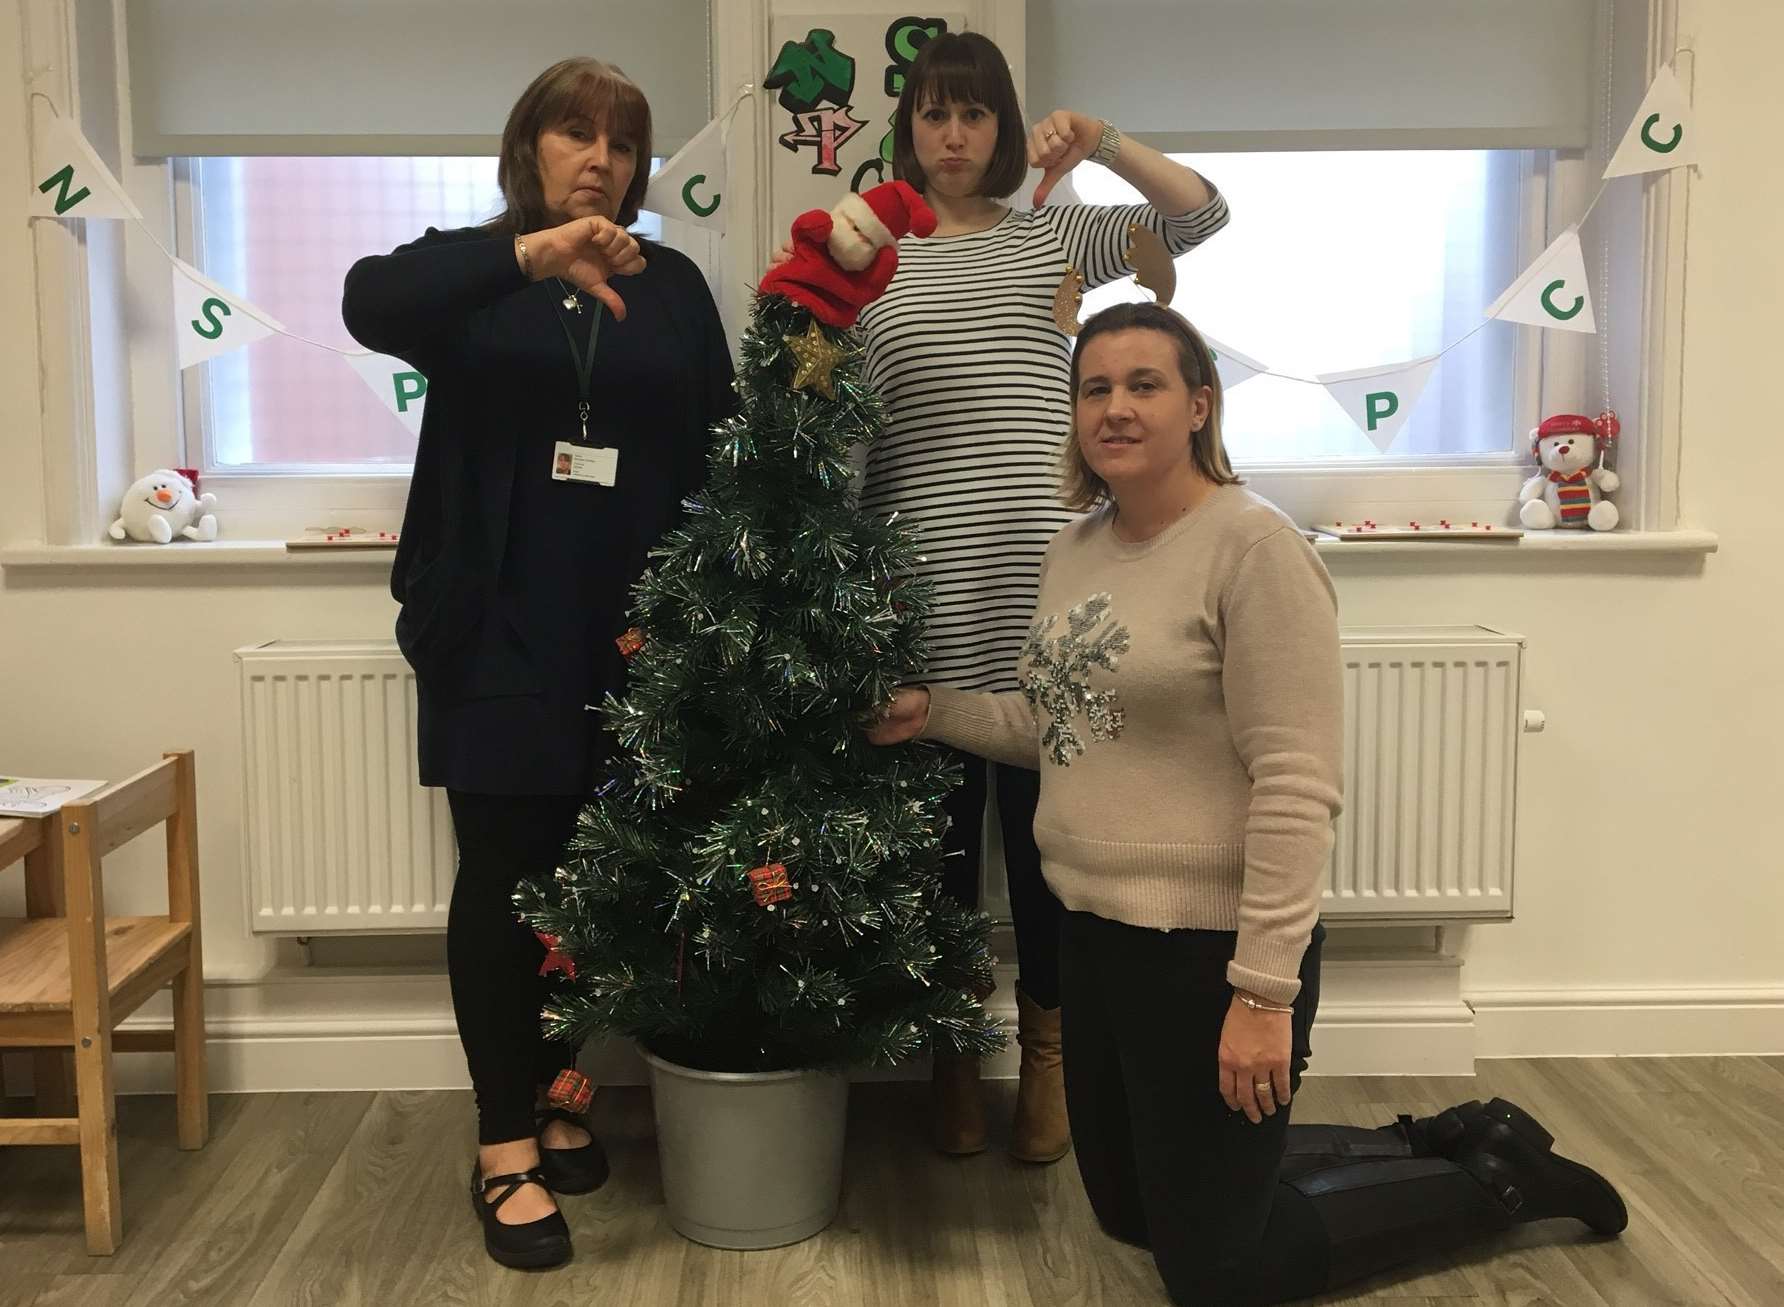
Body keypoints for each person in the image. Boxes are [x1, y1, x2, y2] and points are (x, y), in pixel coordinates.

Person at [868, 303, 1626, 1305]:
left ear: (1197, 404)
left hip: (1206, 948)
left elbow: (1296, 783)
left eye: (1143, 384)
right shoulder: (1073, 548)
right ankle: (1422, 1138)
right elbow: (1060, 727)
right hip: (1090, 931)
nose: (1115, 407)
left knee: (1220, 1271)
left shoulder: (1252, 548)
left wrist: (1261, 992)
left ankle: (1498, 1178)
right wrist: (932, 712)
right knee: (1127, 1212)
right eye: (1093, 387)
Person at [785, 28, 1231, 1162]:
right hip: (915, 602)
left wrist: (1105, 140)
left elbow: (1197, 217)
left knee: (1047, 856)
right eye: (932, 113)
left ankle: (1045, 1055)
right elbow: (823, 415)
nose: (950, 134)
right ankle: (948, 1056)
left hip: (1048, 603)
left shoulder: (1053, 232)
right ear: (905, 127)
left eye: (973, 113)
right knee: (933, 860)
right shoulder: (865, 257)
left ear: (999, 126)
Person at [342, 57, 735, 1270]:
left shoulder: (669, 284)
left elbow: (717, 441)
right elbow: (368, 303)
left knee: (605, 881)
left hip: (634, 632)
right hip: (498, 624)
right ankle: (503, 1139)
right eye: (576, 133)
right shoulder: (467, 272)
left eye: (622, 141)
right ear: (531, 148)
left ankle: (566, 1089)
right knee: (507, 874)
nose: (601, 158)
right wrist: (532, 252)